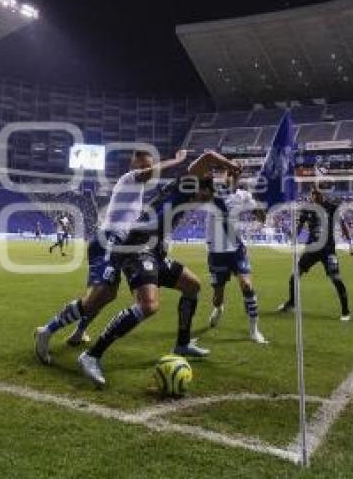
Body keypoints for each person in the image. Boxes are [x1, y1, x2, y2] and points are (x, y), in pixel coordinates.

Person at [77, 151, 242, 387]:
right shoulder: (183, 184)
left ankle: (182, 344)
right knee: (149, 305)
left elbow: (225, 191)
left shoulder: (194, 197)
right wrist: (230, 165)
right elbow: (207, 157)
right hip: (138, 244)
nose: (205, 200)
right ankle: (91, 355)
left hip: (153, 250)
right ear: (198, 187)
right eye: (205, 194)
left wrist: (231, 176)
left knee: (192, 286)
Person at [34, 149, 188, 361]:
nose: (146, 169)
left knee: (103, 296)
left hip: (115, 244)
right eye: (142, 165)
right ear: (133, 164)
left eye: (148, 165)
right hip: (109, 240)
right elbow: (148, 174)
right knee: (100, 295)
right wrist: (177, 160)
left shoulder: (136, 191)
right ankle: (47, 331)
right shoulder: (129, 179)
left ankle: (79, 332)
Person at [278, 185, 353, 321]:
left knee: (336, 279)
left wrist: (351, 245)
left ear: (322, 194)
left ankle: (345, 311)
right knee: (294, 276)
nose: (314, 196)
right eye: (313, 193)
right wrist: (294, 239)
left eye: (317, 193)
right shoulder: (307, 209)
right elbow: (300, 226)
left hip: (328, 250)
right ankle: (292, 303)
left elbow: (344, 226)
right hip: (311, 249)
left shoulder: (332, 207)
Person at [205, 177, 267, 344]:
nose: (232, 173)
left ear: (239, 175)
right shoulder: (212, 191)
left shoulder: (244, 195)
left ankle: (254, 330)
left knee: (246, 286)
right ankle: (218, 308)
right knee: (218, 296)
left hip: (236, 250)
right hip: (216, 252)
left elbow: (260, 214)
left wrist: (258, 224)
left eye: (236, 170)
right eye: (229, 169)